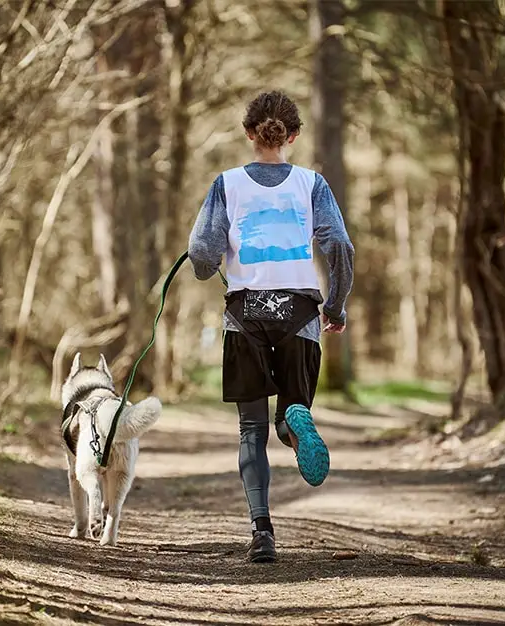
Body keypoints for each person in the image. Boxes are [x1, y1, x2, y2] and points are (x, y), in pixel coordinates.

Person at [187, 90, 354, 563]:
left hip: (245, 314)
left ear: (248, 134)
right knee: (292, 405)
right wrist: (336, 307)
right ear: (293, 136)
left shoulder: (227, 184)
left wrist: (207, 267)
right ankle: (294, 422)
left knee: (249, 431)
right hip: (300, 310)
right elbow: (340, 245)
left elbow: (202, 253)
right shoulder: (311, 184)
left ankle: (262, 531)